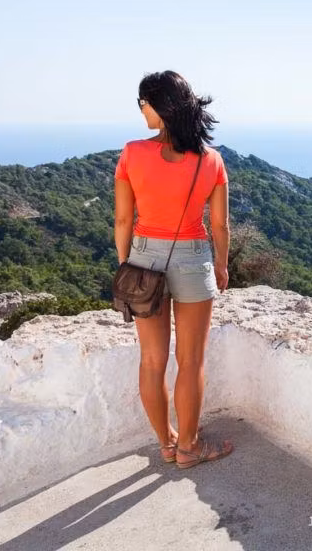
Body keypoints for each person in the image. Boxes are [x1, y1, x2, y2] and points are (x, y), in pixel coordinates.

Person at [114, 70, 234, 469]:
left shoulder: (132, 153)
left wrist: (125, 264)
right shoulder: (211, 161)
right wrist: (220, 264)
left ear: (160, 106)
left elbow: (122, 221)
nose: (141, 110)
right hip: (194, 257)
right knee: (191, 361)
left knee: (151, 361)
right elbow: (219, 225)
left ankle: (166, 444)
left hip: (144, 258)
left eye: (142, 103)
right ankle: (189, 448)